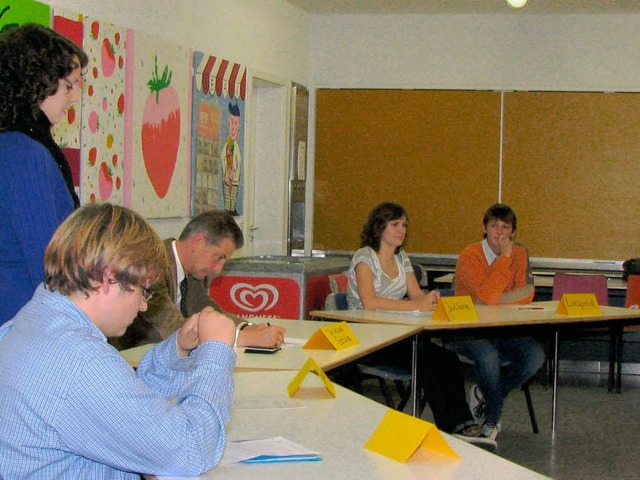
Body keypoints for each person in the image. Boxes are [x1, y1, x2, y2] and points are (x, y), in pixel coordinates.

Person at [0, 203, 237, 478]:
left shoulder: (32, 323)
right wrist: (216, 352)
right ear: (109, 278)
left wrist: (178, 349)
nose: (143, 306)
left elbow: (121, 400)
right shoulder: (81, 361)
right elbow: (190, 452)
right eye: (143, 291)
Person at [346, 202, 496, 450]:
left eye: (404, 225)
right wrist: (416, 307)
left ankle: (462, 424)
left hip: (396, 333)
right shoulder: (364, 257)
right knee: (427, 360)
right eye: (395, 224)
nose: (401, 230)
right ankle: (451, 426)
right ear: (379, 227)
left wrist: (430, 299)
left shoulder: (401, 257)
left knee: (447, 359)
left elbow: (416, 295)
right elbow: (369, 302)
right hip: (368, 338)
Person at [0, 24, 88, 325]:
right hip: (22, 321)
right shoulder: (25, 154)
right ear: (38, 83)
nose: (74, 98)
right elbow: (50, 264)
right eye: (69, 86)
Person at [110, 209, 285, 351]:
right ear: (198, 243)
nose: (218, 269)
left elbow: (208, 310)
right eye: (218, 257)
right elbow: (173, 329)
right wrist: (244, 339)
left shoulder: (193, 271)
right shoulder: (151, 266)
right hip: (129, 363)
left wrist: (246, 327)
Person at [447, 203, 545, 442]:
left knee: (535, 355)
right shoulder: (470, 255)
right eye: (494, 226)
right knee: (488, 356)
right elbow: (489, 295)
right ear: (484, 228)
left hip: (503, 329)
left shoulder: (520, 253)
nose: (500, 233)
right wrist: (504, 260)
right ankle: (491, 421)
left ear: (513, 232)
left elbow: (527, 293)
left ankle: (485, 393)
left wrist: (493, 300)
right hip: (466, 329)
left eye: (506, 227)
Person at [221, 102, 242, 215]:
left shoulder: (236, 147)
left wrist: (233, 171)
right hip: (227, 179)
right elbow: (223, 159)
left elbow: (238, 163)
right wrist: (226, 171)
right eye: (232, 123)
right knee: (227, 196)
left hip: (234, 180)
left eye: (236, 123)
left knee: (233, 195)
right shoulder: (227, 146)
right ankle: (228, 209)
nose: (234, 127)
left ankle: (232, 209)